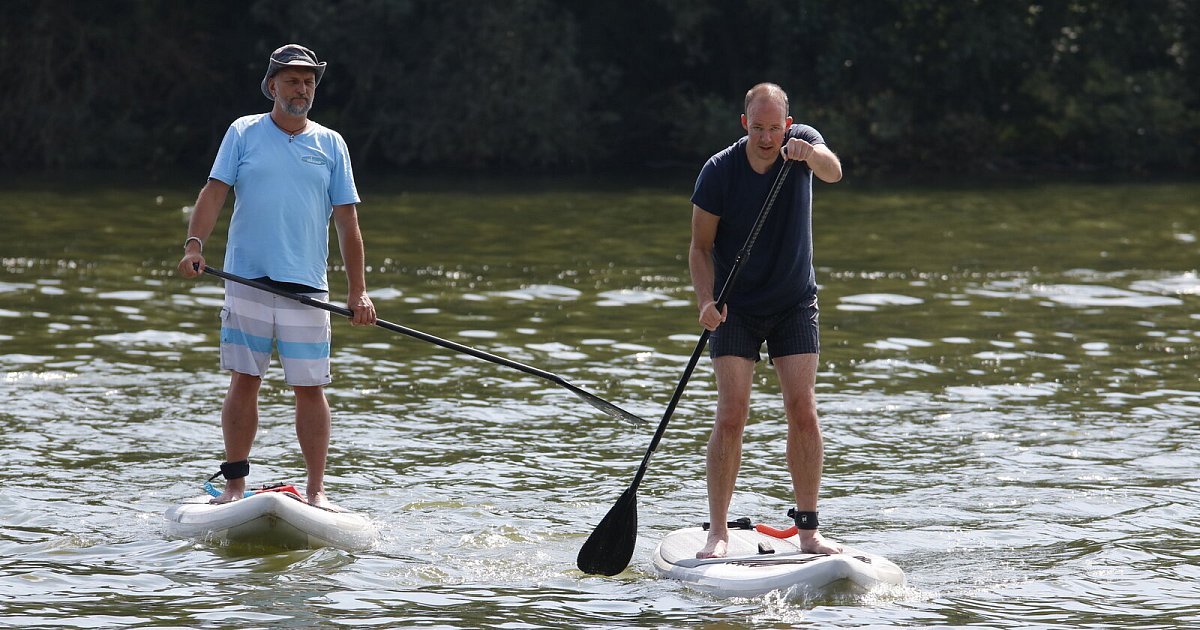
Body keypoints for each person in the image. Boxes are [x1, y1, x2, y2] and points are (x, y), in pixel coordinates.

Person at [176, 44, 376, 509]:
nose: (301, 89)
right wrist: (194, 246)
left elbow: (348, 223)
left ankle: (316, 491)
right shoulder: (243, 132)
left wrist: (359, 293)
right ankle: (235, 485)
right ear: (272, 86)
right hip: (246, 280)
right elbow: (213, 192)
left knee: (311, 388)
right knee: (245, 379)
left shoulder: (332, 144)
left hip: (307, 288)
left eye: (308, 82)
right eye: (292, 81)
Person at [688, 82, 843, 558]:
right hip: (737, 306)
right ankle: (718, 532)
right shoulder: (718, 171)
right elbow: (700, 247)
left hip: (794, 301)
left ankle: (809, 531)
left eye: (776, 128)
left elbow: (833, 171)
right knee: (731, 414)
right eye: (758, 128)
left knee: (803, 409)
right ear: (744, 124)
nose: (767, 137)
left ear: (788, 125)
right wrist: (706, 301)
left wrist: (809, 153)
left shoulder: (803, 144)